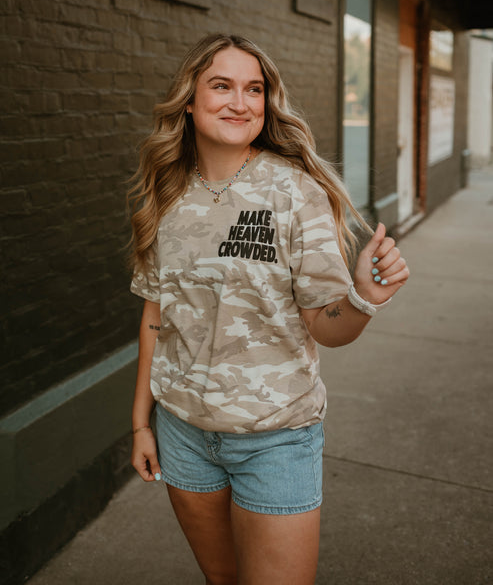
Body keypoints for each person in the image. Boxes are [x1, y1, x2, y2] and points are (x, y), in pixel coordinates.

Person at [127, 33, 409, 585]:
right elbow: (156, 318)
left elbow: (325, 328)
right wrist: (141, 423)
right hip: (183, 433)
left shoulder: (294, 193)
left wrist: (362, 299)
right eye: (221, 86)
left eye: (253, 88)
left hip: (275, 437)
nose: (240, 101)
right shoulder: (167, 194)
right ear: (188, 100)